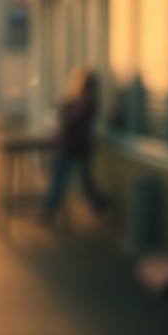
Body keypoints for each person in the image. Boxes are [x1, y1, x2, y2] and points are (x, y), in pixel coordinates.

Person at [40, 68, 108, 223]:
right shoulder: (80, 100)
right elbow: (66, 114)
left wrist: (65, 109)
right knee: (82, 181)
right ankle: (99, 203)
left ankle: (49, 211)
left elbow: (71, 118)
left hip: (72, 146)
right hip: (75, 145)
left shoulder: (87, 100)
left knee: (60, 178)